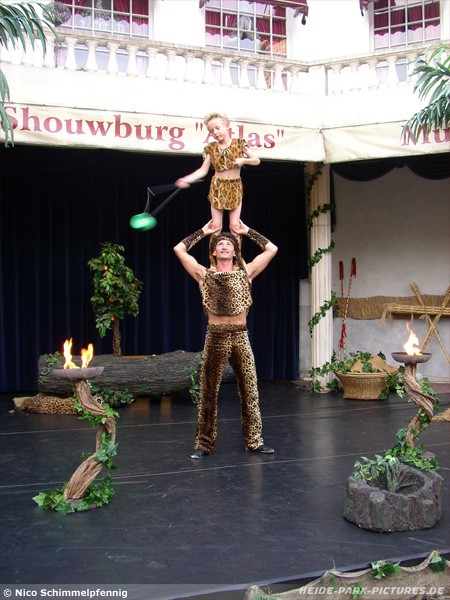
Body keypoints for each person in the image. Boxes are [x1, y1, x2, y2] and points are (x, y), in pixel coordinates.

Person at [173, 218, 277, 459]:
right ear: (213, 251)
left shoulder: (246, 273)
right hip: (215, 336)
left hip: (240, 336)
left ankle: (255, 441)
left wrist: (247, 231)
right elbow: (179, 249)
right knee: (208, 391)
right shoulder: (204, 274)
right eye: (220, 243)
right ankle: (204, 444)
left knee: (250, 389)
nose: (224, 246)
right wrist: (203, 231)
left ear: (235, 251)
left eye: (229, 244)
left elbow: (272, 249)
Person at [175, 113, 260, 232]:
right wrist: (186, 179)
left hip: (235, 186)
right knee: (216, 225)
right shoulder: (211, 148)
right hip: (218, 186)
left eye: (217, 128)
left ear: (227, 126)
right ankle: (214, 245)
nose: (214, 132)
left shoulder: (239, 143)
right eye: (211, 131)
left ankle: (235, 245)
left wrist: (244, 160)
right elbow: (203, 170)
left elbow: (256, 160)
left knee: (235, 225)